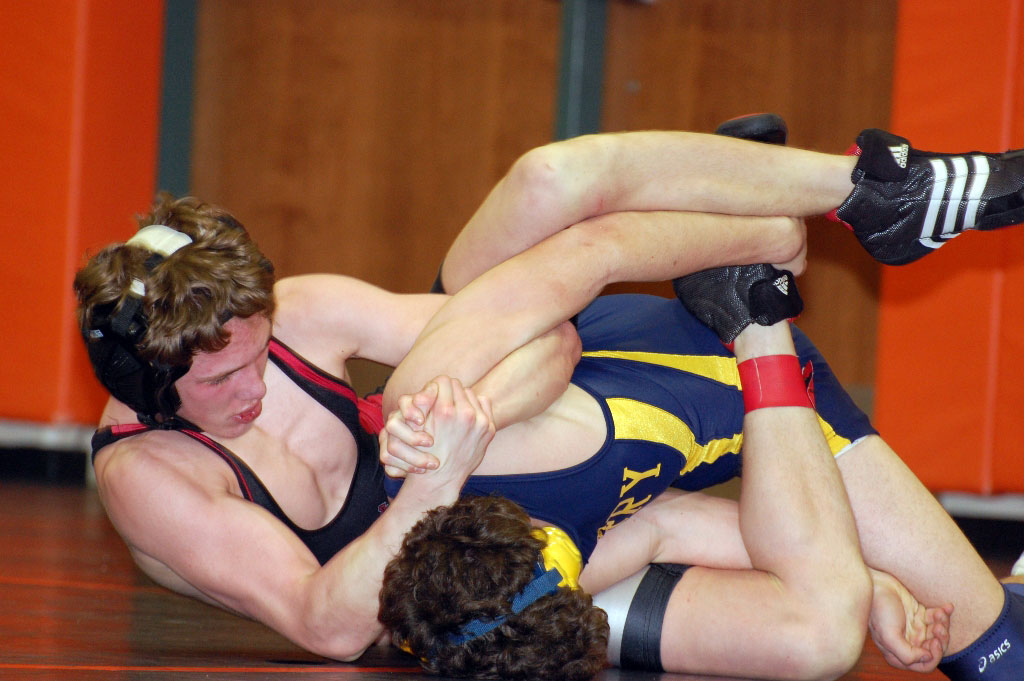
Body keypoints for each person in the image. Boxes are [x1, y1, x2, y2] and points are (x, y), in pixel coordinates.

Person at [74, 118, 1024, 675]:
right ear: (148, 389)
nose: (255, 384)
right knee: (875, 642)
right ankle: (757, 266)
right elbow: (330, 624)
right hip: (479, 576)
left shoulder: (313, 325)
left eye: (258, 352)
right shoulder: (152, 477)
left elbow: (546, 333)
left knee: (551, 179)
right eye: (221, 381)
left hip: (505, 469)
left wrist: (467, 416)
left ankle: (872, 193)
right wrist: (433, 477)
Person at [376, 118, 1024, 681]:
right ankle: (758, 282)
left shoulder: (435, 419)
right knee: (999, 657)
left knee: (550, 179)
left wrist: (767, 238)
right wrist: (872, 580)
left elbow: (591, 255)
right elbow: (669, 525)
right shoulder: (530, 580)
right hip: (779, 402)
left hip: (652, 346)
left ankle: (870, 190)